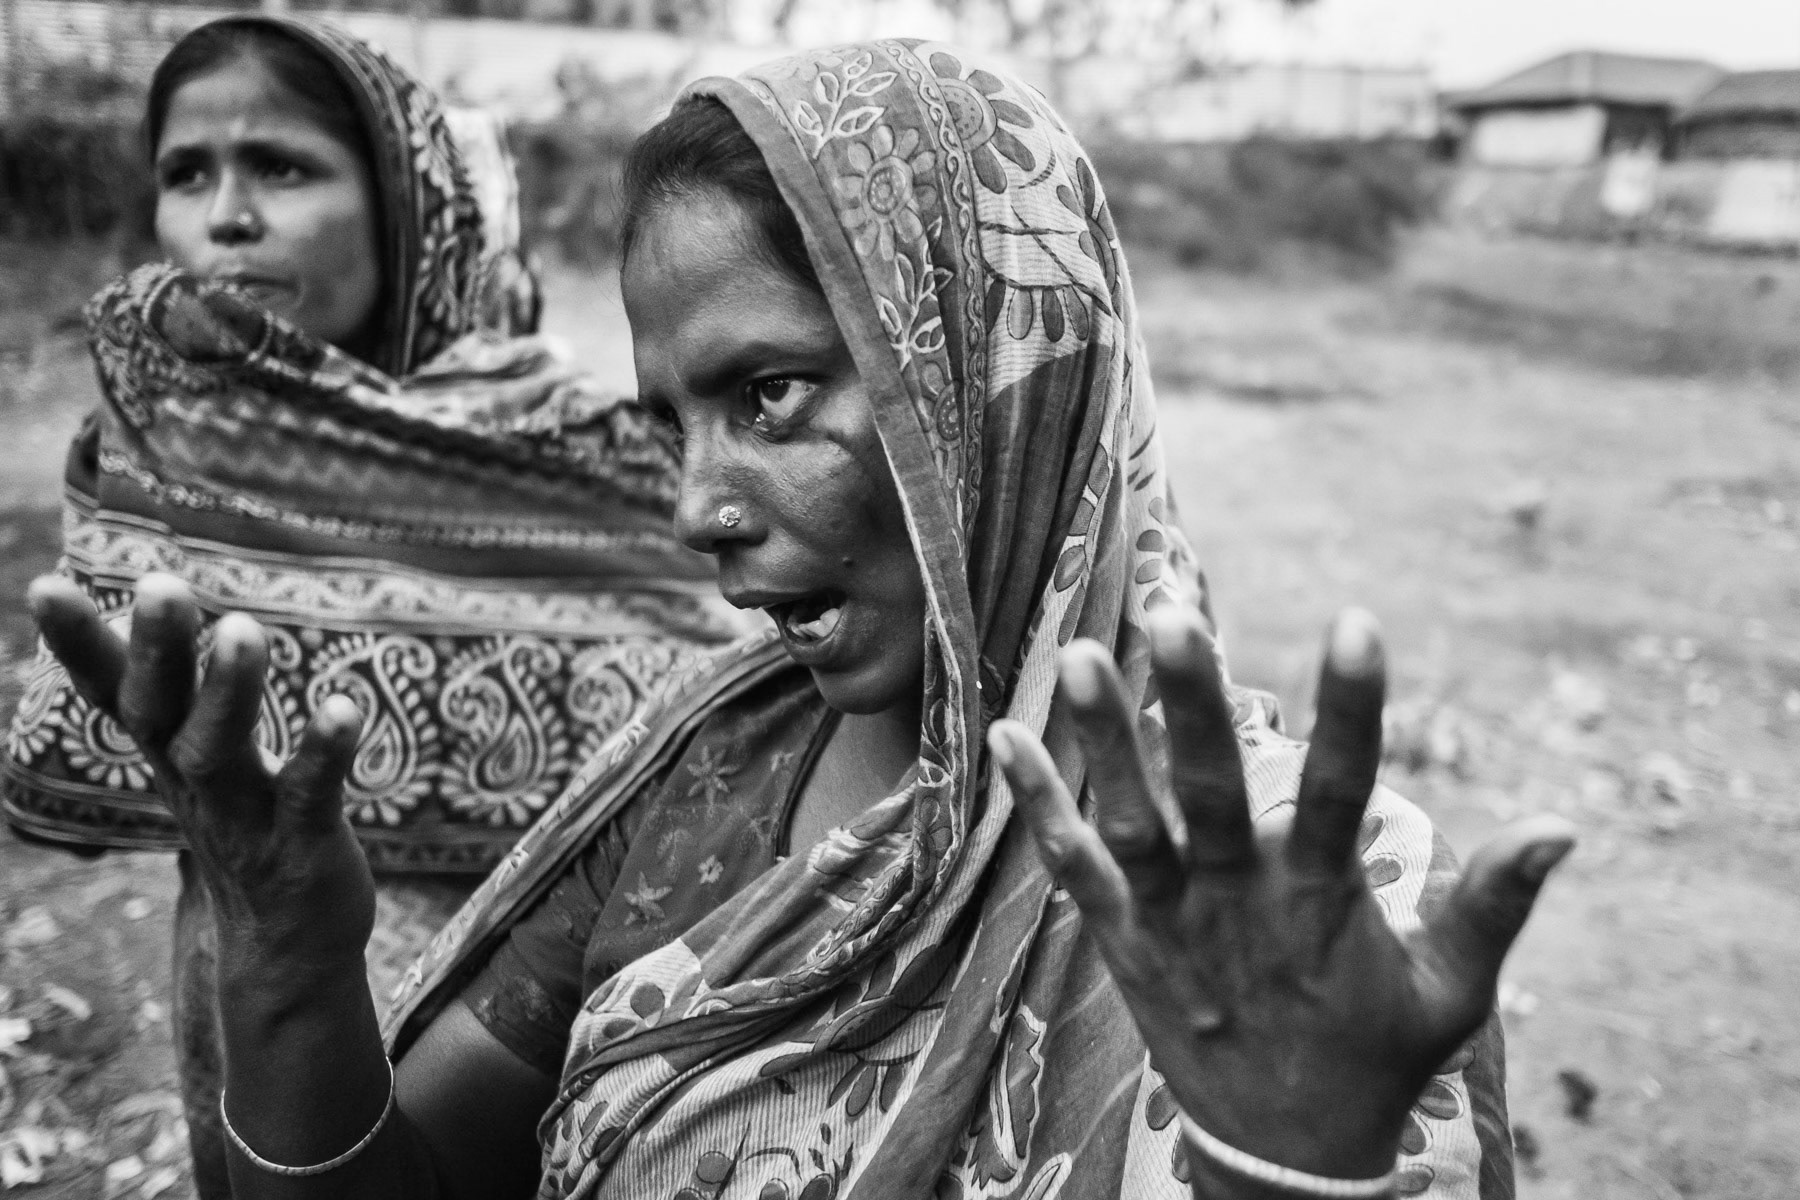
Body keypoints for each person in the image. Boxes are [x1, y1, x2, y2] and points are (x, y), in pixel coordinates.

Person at [27, 39, 1575, 1200]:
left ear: (993, 387)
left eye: (770, 395)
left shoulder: (1301, 906)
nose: (696, 507)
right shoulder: (703, 764)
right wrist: (288, 956)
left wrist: (1286, 1165)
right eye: (671, 423)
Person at [0, 16, 742, 1198]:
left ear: (406, 206)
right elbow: (82, 760)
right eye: (186, 173)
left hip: (514, 1000)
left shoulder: (584, 456)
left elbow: (711, 735)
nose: (224, 217)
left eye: (281, 167)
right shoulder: (158, 447)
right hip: (248, 960)